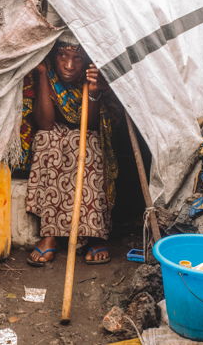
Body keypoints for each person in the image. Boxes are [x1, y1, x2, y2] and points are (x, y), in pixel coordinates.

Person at [23, 33, 118, 266]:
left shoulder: (92, 78)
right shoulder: (50, 74)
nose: (69, 65)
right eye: (63, 56)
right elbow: (44, 123)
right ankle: (50, 235)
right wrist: (44, 75)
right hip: (55, 131)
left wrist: (94, 91)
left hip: (87, 131)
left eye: (77, 58)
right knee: (48, 139)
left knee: (90, 144)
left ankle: (94, 234)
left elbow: (95, 125)